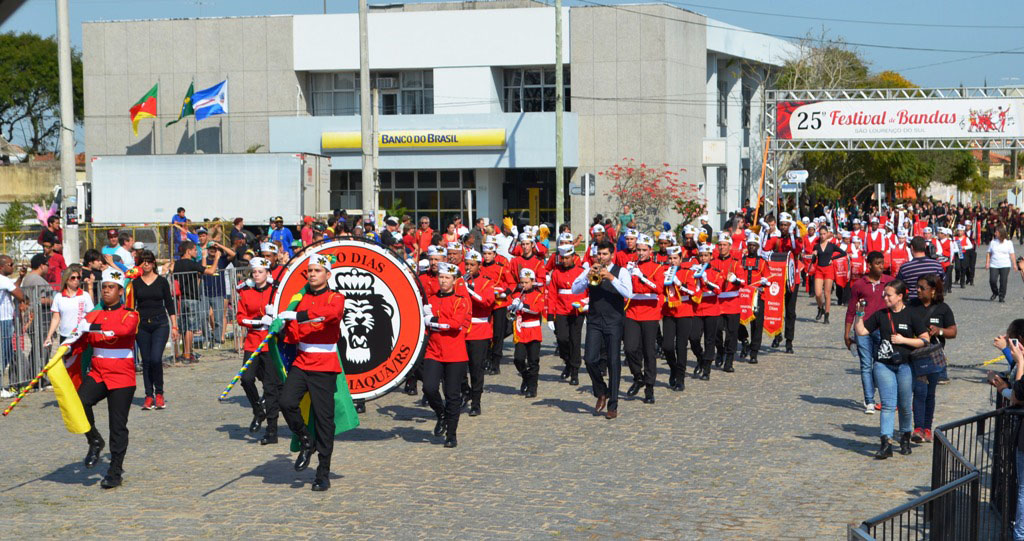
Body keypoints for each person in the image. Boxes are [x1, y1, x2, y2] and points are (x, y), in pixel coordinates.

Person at [277, 253, 347, 491]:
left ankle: (322, 473)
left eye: (317, 271)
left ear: (328, 274)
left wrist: (299, 317)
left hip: (325, 364)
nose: (312, 274)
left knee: (324, 420)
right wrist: (279, 326)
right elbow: (294, 333)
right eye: (310, 271)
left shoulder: (336, 297)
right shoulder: (299, 298)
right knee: (286, 402)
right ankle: (306, 440)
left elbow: (331, 315)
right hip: (302, 360)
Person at [76, 267, 141, 489]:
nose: (106, 291)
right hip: (98, 372)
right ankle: (94, 439)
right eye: (103, 287)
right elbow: (79, 333)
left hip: (122, 376)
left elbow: (122, 330)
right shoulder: (94, 313)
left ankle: (114, 471)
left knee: (118, 426)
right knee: (80, 402)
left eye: (111, 287)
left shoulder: (130, 313)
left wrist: (92, 328)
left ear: (120, 291)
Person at [854, 279, 929, 460]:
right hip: (883, 365)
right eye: (884, 295)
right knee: (888, 405)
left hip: (905, 366)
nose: (885, 298)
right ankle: (885, 442)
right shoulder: (881, 315)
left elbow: (925, 339)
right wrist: (859, 314)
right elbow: (862, 331)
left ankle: (904, 436)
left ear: (900, 296)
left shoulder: (912, 315)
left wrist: (904, 341)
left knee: (904, 404)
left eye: (889, 295)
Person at [572, 241, 632, 419]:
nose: (601, 257)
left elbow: (629, 293)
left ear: (612, 255)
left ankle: (613, 405)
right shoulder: (591, 269)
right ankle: (601, 391)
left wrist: (611, 278)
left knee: (614, 361)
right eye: (599, 254)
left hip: (614, 321)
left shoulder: (621, 271)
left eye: (605, 254)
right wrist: (587, 275)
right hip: (595, 321)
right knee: (590, 359)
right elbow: (575, 289)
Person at [421, 262, 472, 447]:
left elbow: (454, 324)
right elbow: (424, 325)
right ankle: (440, 413)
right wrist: (425, 318)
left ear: (454, 280)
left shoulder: (461, 300)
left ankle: (451, 433)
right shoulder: (431, 300)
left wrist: (432, 320)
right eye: (441, 277)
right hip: (434, 351)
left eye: (447, 278)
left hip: (455, 353)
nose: (443, 281)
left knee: (452, 395)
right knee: (429, 388)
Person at [235, 257, 282, 444]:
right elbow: (241, 318)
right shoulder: (246, 293)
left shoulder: (276, 291)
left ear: (267, 273)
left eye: (260, 272)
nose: (256, 275)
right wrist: (258, 321)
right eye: (254, 272)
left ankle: (272, 431)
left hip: (271, 342)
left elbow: (284, 313)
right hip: (253, 341)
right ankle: (257, 410)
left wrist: (275, 317)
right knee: (246, 378)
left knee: (271, 388)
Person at [909, 274, 957, 444]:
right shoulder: (911, 305)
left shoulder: (943, 308)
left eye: (922, 288)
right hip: (916, 356)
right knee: (919, 391)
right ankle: (918, 428)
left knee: (930, 394)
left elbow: (953, 332)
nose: (918, 290)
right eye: (917, 287)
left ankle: (927, 428)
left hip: (934, 358)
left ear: (933, 290)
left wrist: (940, 331)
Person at [844, 251, 892, 415]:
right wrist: (846, 332)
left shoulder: (889, 282)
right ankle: (870, 401)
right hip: (861, 329)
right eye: (878, 263)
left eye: (882, 263)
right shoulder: (859, 284)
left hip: (882, 330)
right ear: (869, 265)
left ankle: (883, 396)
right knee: (865, 365)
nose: (881, 266)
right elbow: (851, 309)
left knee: (881, 364)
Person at [131, 250, 177, 411]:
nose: (146, 264)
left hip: (160, 324)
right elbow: (131, 305)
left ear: (153, 263)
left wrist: (175, 325)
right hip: (142, 325)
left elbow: (169, 304)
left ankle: (160, 393)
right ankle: (149, 395)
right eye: (143, 261)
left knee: (156, 359)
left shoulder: (162, 282)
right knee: (147, 361)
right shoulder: (135, 283)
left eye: (149, 261)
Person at [624, 234, 664, 402]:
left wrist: (641, 277)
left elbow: (659, 288)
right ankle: (637, 377)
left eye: (644, 250)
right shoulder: (630, 266)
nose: (640, 253)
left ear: (650, 251)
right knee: (630, 348)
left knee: (649, 351)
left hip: (650, 312)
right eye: (638, 250)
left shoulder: (657, 267)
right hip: (632, 311)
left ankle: (649, 387)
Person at [459, 250, 494, 416]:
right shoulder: (460, 281)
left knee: (476, 368)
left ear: (479, 266)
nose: (468, 267)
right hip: (462, 330)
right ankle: (465, 392)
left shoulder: (486, 282)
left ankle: (476, 402)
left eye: (472, 265)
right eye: (466, 264)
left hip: (479, 330)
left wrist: (470, 291)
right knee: (458, 368)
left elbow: (487, 303)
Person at [169, 242, 216, 363]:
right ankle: (187, 354)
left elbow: (199, 272)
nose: (196, 252)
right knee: (190, 328)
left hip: (180, 299)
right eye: (195, 250)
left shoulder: (177, 264)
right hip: (191, 298)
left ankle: (177, 353)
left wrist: (204, 258)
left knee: (181, 328)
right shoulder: (191, 264)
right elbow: (210, 272)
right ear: (188, 251)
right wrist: (217, 258)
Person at [547, 244, 587, 386]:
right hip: (561, 310)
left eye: (567, 258)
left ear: (573, 257)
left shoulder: (582, 271)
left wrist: (586, 307)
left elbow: (588, 292)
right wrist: (550, 315)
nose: (564, 261)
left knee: (575, 341)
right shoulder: (556, 272)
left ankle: (574, 371)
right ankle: (568, 362)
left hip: (577, 311)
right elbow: (552, 294)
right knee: (562, 339)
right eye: (562, 258)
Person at [660, 246, 697, 391]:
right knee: (667, 346)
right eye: (670, 258)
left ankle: (680, 378)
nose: (672, 261)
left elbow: (693, 291)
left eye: (675, 258)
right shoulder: (664, 272)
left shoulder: (687, 273)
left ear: (681, 259)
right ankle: (673, 368)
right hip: (669, 312)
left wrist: (679, 284)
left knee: (681, 346)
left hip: (684, 312)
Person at [509, 268, 545, 398]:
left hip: (533, 330)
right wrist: (511, 306)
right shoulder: (517, 294)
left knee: (533, 361)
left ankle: (532, 387)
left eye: (526, 282)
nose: (523, 285)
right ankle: (526, 377)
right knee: (518, 359)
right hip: (521, 330)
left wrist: (523, 306)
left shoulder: (538, 294)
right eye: (522, 282)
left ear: (533, 281)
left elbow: (537, 310)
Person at [45, 265, 94, 349]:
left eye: (78, 278)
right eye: (73, 278)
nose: (76, 280)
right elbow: (56, 318)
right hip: (65, 336)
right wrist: (49, 336)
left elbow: (91, 314)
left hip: (81, 336)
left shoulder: (84, 295)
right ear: (66, 279)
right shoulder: (59, 297)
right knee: (66, 361)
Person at [0, 255, 26, 391]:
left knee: (8, 351)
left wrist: (21, 277)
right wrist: (24, 300)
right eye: (10, 264)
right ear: (2, 267)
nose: (13, 266)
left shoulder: (5, 281)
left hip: (5, 320)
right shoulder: (3, 280)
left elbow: (13, 287)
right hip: (3, 320)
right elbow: (20, 295)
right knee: (4, 353)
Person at [811, 226, 845, 324]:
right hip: (819, 270)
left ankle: (826, 314)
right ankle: (820, 308)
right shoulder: (816, 246)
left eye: (824, 234)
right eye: (820, 234)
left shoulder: (831, 245)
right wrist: (814, 254)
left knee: (827, 293)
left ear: (827, 234)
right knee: (818, 293)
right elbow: (813, 261)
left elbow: (843, 253)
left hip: (828, 270)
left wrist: (833, 258)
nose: (822, 236)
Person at [895, 236, 944, 301]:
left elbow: (899, 285)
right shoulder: (936, 265)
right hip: (932, 300)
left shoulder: (905, 267)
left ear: (911, 248)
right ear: (925, 247)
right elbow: (942, 281)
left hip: (913, 301)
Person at [987, 225, 1015, 303]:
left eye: (996, 232)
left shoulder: (1008, 243)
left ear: (1001, 233)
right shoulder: (993, 242)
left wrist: (1014, 264)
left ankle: (1001, 296)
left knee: (1003, 281)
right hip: (994, 264)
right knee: (992, 280)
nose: (995, 233)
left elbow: (1012, 254)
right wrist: (987, 262)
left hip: (1005, 264)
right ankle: (995, 292)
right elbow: (988, 253)